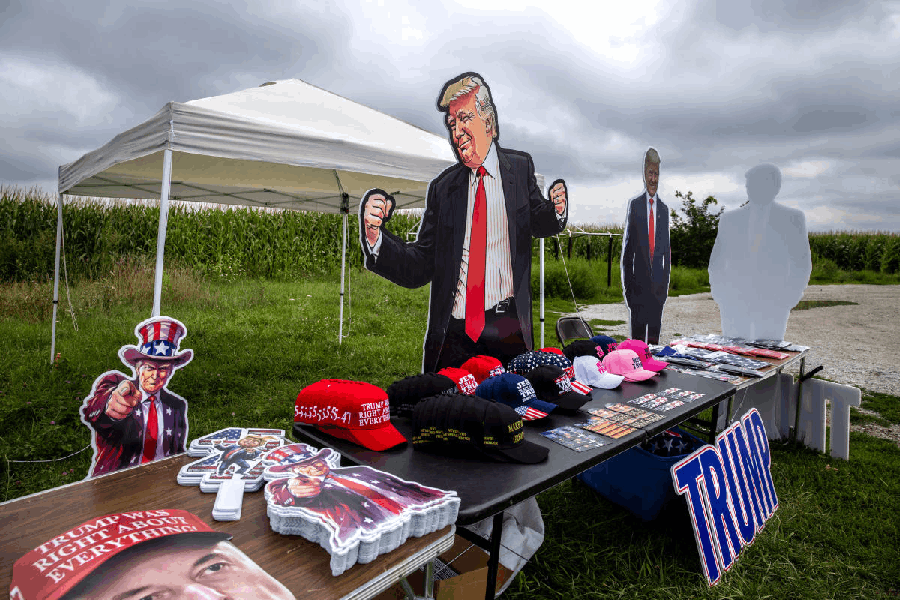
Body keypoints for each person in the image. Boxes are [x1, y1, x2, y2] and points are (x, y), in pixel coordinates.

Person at [360, 72, 568, 371]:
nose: (456, 131)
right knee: (450, 415)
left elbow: (537, 219)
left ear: (490, 123)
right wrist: (375, 237)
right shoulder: (444, 188)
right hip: (454, 337)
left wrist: (556, 211)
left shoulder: (520, 170)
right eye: (451, 123)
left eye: (464, 118)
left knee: (510, 412)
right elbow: (420, 265)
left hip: (508, 330)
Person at [708, 163, 811, 341]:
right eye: (749, 185)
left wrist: (790, 297)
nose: (751, 189)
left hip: (774, 304)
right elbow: (717, 261)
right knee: (734, 356)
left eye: (758, 184)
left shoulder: (792, 219)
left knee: (768, 357)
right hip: (734, 303)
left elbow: (801, 263)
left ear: (775, 187)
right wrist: (720, 295)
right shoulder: (729, 220)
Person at [80, 316, 192, 477]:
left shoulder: (177, 405)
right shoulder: (118, 387)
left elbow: (177, 452)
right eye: (149, 367)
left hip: (161, 484)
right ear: (138, 368)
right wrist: (109, 403)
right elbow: (93, 411)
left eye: (164, 368)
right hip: (117, 487)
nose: (155, 375)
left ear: (171, 371)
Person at [267, 451, 450, 543]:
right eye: (304, 465)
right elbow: (286, 496)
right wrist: (292, 492)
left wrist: (434, 497)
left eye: (317, 460)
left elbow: (400, 487)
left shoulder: (359, 470)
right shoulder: (295, 487)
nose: (314, 466)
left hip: (406, 518)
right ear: (294, 471)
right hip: (367, 533)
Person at [621, 147, 671, 344]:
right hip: (637, 292)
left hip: (658, 292)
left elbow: (666, 252)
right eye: (650, 173)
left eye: (656, 173)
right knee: (638, 346)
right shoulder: (635, 206)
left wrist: (664, 288)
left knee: (655, 347)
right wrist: (628, 290)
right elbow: (627, 253)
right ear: (644, 174)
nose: (653, 179)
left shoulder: (664, 210)